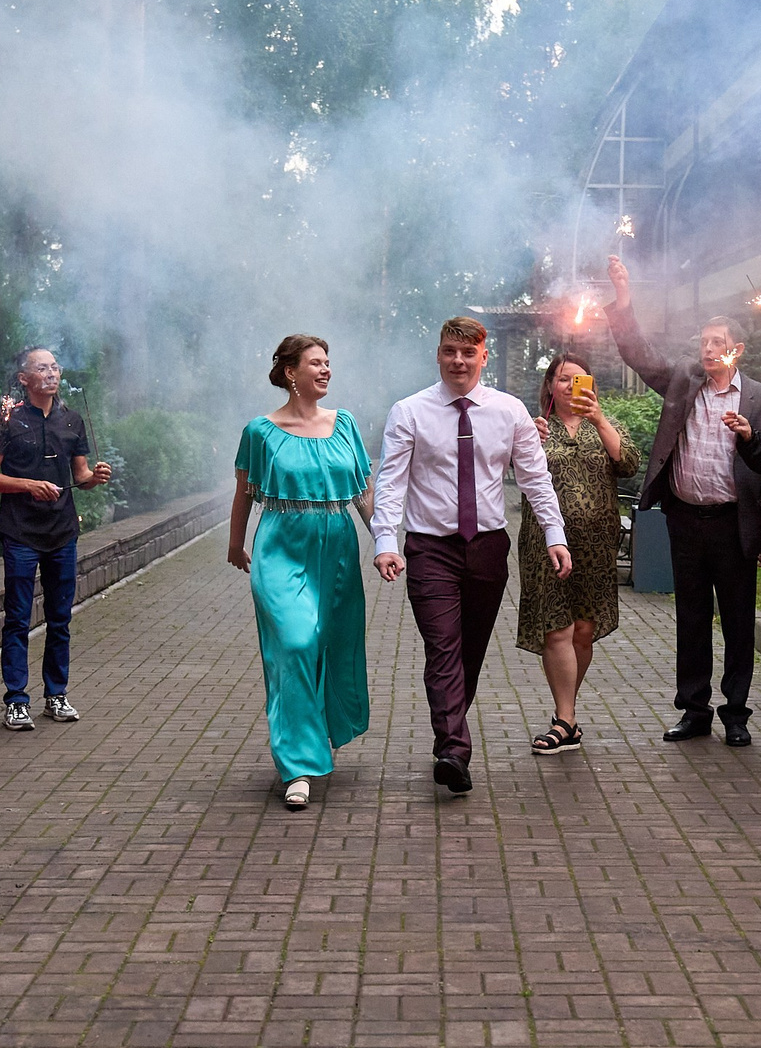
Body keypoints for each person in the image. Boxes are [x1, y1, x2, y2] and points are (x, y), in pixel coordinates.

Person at [370, 316, 568, 795]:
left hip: (486, 547)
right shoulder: (409, 411)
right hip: (429, 548)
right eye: (448, 352)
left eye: (467, 352)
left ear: (482, 356)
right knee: (443, 647)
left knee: (469, 653)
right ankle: (453, 750)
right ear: (438, 355)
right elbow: (392, 484)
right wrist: (385, 543)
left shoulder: (510, 411)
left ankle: (449, 733)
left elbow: (535, 477)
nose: (458, 361)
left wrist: (554, 534)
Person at [603, 255, 761, 746]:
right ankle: (694, 709)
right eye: (703, 343)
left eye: (717, 344)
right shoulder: (684, 381)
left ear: (737, 350)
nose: (707, 350)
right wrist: (623, 300)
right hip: (684, 519)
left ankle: (738, 712)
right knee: (691, 618)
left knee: (739, 622)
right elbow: (639, 354)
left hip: (734, 524)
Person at [226, 334, 374, 808]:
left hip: (337, 546)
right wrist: (235, 544)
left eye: (329, 362)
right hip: (280, 548)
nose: (326, 370)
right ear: (291, 372)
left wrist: (387, 542)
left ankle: (318, 731)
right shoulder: (260, 431)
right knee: (294, 643)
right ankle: (299, 765)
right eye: (316, 363)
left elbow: (364, 493)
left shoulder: (345, 424)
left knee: (331, 640)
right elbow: (244, 494)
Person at [514, 352, 639, 756]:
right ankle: (565, 718)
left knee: (583, 629)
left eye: (579, 380)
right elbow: (507, 469)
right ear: (549, 385)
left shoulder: (605, 424)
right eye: (563, 379)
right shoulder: (534, 428)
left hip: (598, 544)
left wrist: (601, 420)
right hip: (545, 541)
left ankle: (567, 715)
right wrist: (526, 440)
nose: (570, 386)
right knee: (557, 628)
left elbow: (630, 464)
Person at [0, 346, 109, 732]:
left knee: (60, 618)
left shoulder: (71, 420)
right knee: (18, 618)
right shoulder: (6, 420)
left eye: (54, 367)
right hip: (20, 530)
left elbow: (80, 475)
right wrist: (28, 485)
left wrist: (94, 478)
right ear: (24, 379)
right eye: (42, 368)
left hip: (62, 530)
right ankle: (17, 700)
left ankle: (56, 694)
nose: (51, 374)